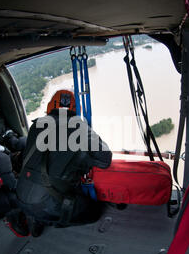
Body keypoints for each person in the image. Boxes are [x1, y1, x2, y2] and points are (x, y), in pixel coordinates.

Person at [9, 89, 112, 237]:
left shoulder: (36, 125)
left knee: (44, 193)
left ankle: (34, 216)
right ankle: (47, 218)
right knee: (94, 212)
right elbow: (105, 160)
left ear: (50, 107)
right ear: (76, 110)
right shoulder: (80, 128)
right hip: (49, 202)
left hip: (21, 193)